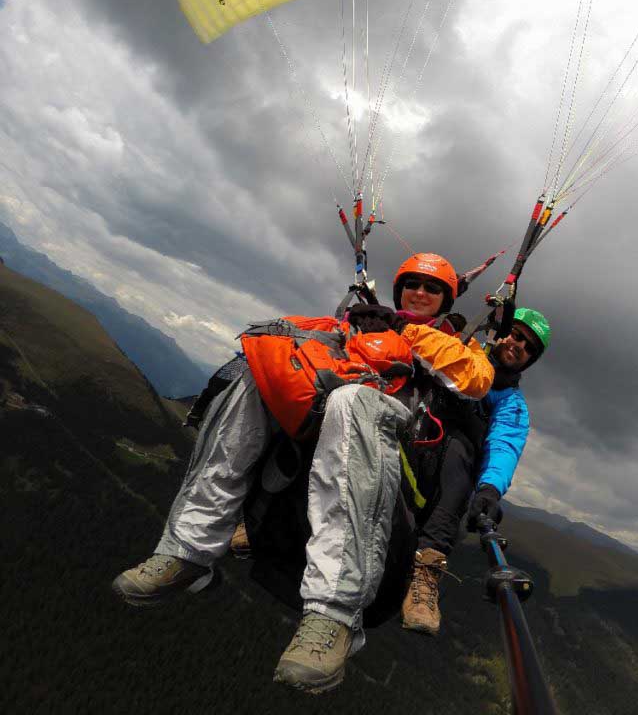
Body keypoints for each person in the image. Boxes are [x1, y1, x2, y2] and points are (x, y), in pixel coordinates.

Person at [112, 253, 493, 694]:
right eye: (412, 285)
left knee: (354, 400)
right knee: (256, 375)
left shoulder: (458, 346)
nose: (420, 293)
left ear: (446, 300)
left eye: (432, 289)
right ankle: (189, 550)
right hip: (328, 424)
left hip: (397, 438)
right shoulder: (366, 320)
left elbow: (474, 381)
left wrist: (405, 333)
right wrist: (345, 329)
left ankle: (334, 612)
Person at [401, 307, 551, 636]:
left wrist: (490, 490)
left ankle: (428, 570)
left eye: (529, 346)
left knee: (461, 451)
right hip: (411, 430)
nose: (519, 344)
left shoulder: (510, 403)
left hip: (450, 464)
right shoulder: (462, 347)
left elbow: (503, 445)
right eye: (516, 333)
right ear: (502, 331)